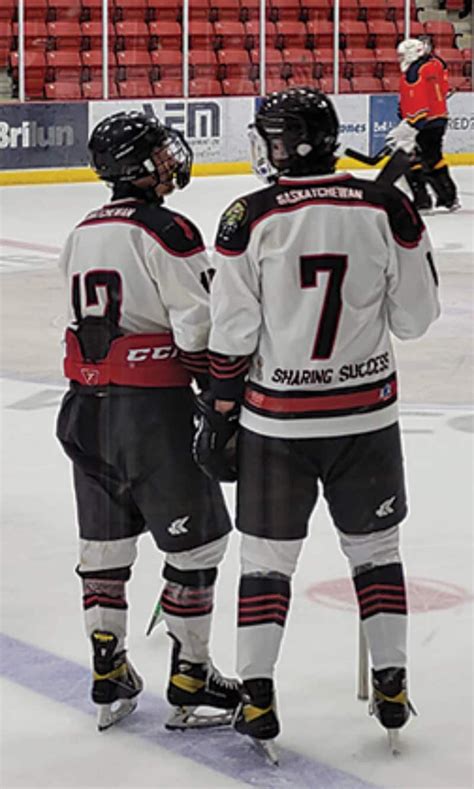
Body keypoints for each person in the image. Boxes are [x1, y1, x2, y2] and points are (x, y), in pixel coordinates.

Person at [193, 88, 440, 748]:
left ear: (285, 144)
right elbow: (416, 319)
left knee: (267, 560)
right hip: (366, 417)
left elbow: (234, 330)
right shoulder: (388, 206)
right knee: (378, 552)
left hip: (278, 423)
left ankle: (257, 694)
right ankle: (392, 681)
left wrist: (219, 410)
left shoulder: (250, 215)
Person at [56, 110, 241, 732]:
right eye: (158, 151)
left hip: (85, 411)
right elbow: (198, 323)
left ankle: (108, 669)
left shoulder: (83, 230)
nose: (170, 159)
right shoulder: (168, 228)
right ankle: (192, 676)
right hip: (151, 413)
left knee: (103, 543)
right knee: (199, 542)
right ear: (137, 165)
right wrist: (218, 392)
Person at [389, 37, 459, 211]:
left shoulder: (414, 71)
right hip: (439, 118)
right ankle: (448, 197)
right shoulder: (436, 64)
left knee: (410, 157)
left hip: (421, 121)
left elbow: (417, 100)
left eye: (402, 55)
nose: (400, 59)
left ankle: (422, 200)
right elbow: (440, 87)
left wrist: (413, 122)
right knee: (433, 157)